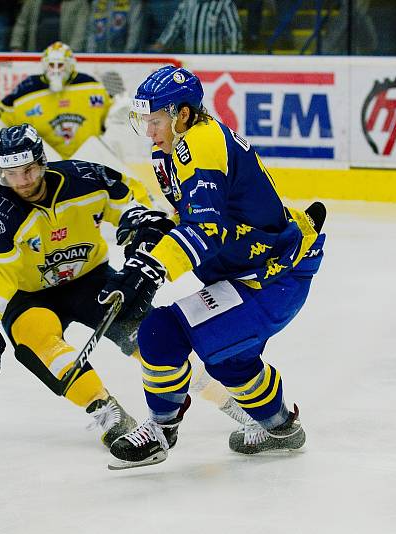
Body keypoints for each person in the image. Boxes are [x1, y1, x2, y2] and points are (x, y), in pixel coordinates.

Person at [102, 66, 326, 469]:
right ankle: (270, 427)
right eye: (146, 121)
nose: (150, 130)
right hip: (242, 272)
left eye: (156, 120)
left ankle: (175, 429)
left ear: (182, 114)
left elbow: (207, 229)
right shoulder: (169, 149)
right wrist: (157, 226)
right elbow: (195, 217)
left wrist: (150, 267)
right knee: (206, 350)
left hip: (273, 275)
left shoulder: (202, 142)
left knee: (191, 340)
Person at [0, 123, 176, 447]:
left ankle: (227, 395)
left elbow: (131, 201)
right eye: (11, 174)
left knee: (154, 338)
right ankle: (105, 408)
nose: (22, 181)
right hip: (30, 296)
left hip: (92, 280)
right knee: (37, 342)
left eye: (28, 170)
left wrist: (140, 222)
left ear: (42, 162)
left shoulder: (87, 178)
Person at [0, 41, 154, 220]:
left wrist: (119, 113)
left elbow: (110, 120)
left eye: (60, 65)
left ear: (70, 65)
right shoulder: (26, 90)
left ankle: (145, 209)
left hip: (86, 160)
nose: (56, 70)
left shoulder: (90, 86)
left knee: (105, 157)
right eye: (51, 65)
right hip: (46, 163)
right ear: (44, 65)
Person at [149, 0, 242, 54]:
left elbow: (234, 33)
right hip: (190, 62)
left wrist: (232, 58)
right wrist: (161, 44)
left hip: (214, 64)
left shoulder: (225, 3)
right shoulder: (188, 3)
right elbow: (175, 26)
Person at [9, 0, 90, 52]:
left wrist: (71, 52)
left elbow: (80, 31)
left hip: (63, 56)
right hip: (35, 53)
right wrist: (16, 46)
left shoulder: (79, 3)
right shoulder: (32, 2)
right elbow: (21, 24)